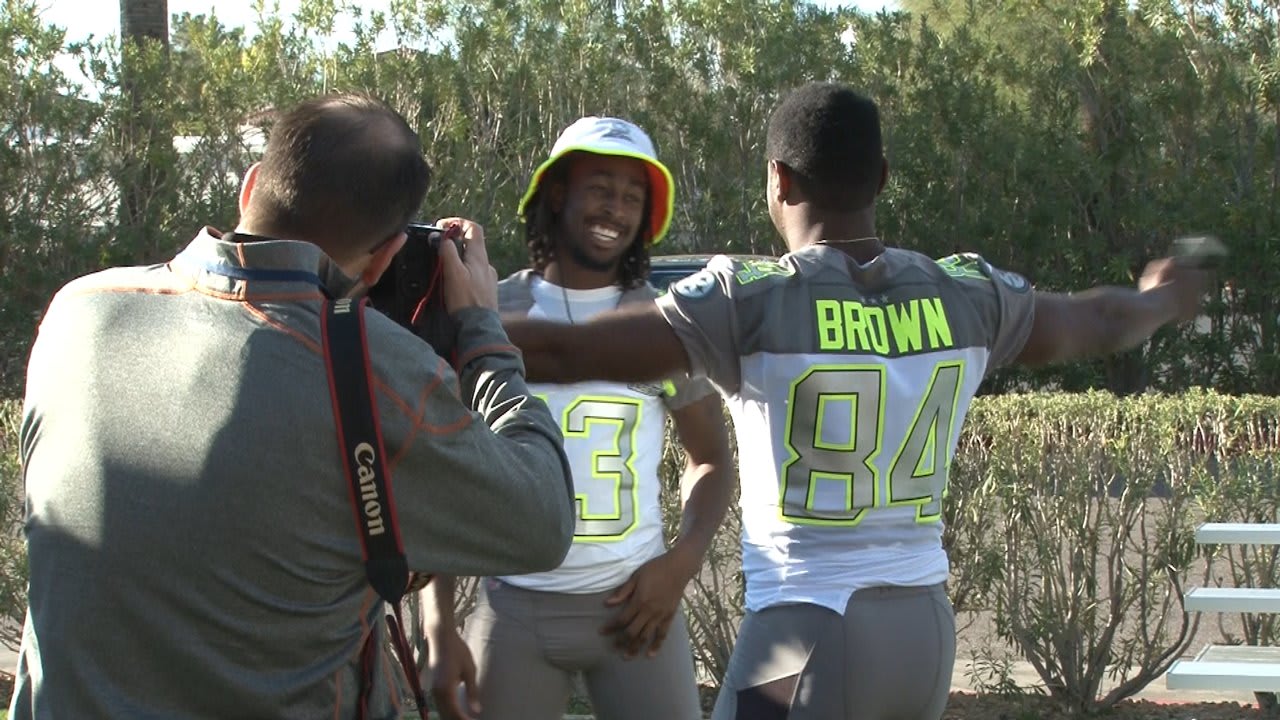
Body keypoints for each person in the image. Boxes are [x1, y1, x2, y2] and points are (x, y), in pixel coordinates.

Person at [501, 83, 1214, 720]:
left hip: (803, 636)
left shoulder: (750, 297)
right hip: (924, 636)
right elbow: (1097, 321)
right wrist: (1161, 301)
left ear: (777, 182)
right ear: (880, 177)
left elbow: (566, 351)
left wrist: (443, 320)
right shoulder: (966, 292)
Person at [9, 93, 575, 720]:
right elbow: (543, 519)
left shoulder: (77, 312)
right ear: (388, 254)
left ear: (252, 184)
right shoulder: (372, 375)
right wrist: (482, 332)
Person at [422, 116, 735, 720]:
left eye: (632, 195)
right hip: (516, 608)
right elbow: (442, 469)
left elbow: (712, 458)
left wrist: (682, 563)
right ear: (557, 192)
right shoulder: (492, 305)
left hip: (636, 610)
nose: (614, 207)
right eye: (599, 186)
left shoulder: (663, 323)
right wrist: (437, 622)